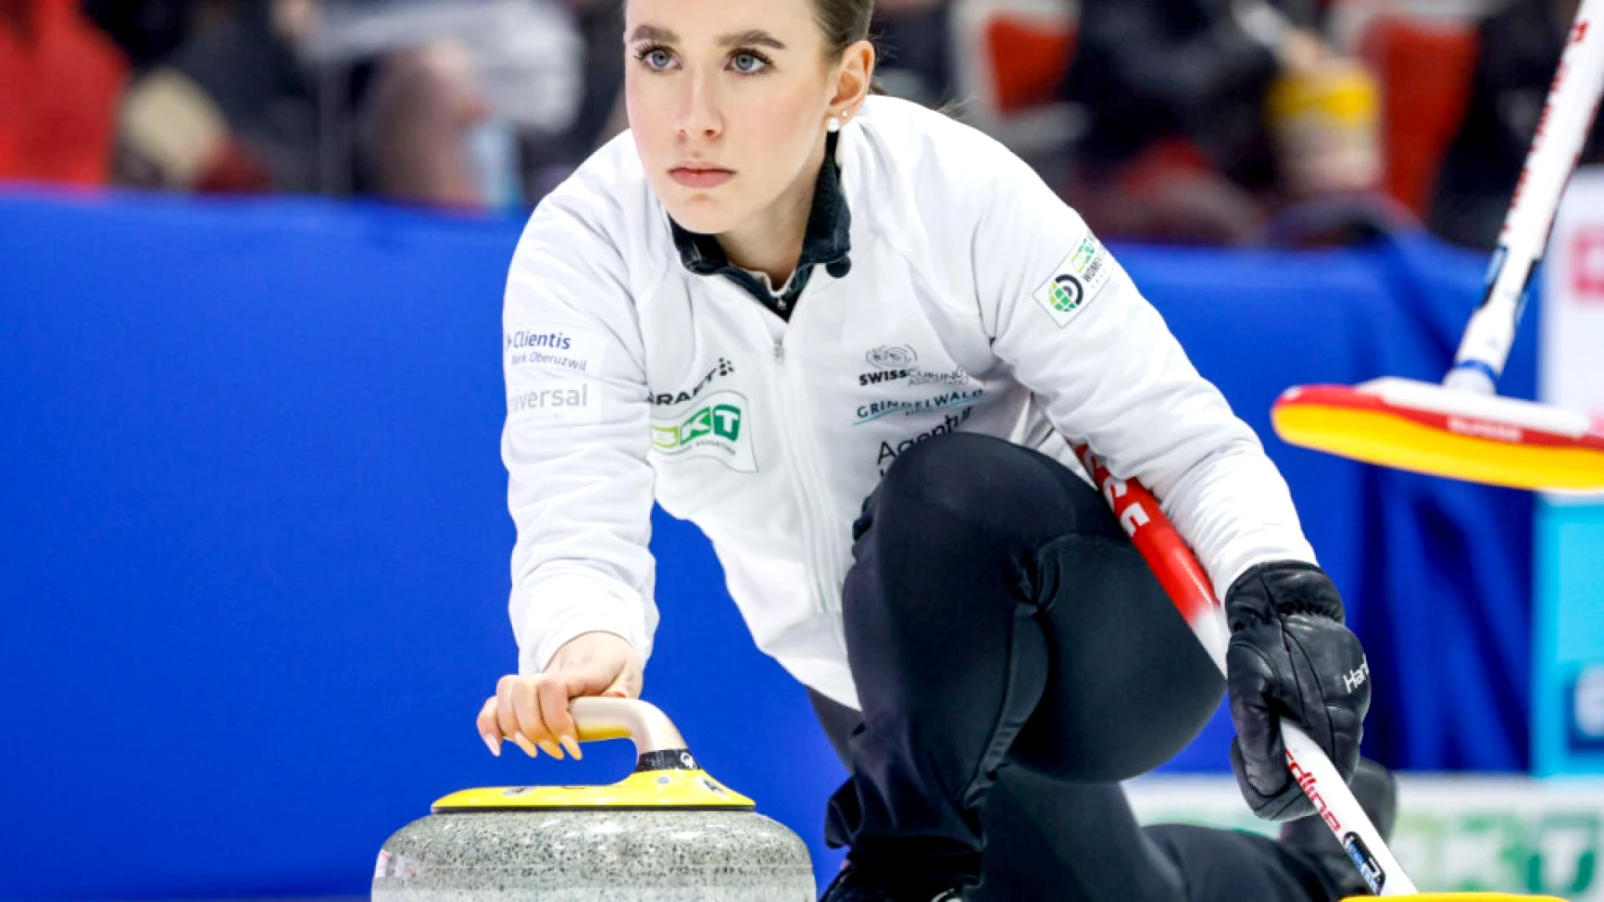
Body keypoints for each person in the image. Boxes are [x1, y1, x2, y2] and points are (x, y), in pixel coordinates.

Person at [474, 0, 1390, 897]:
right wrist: (579, 647)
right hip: (875, 677)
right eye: (659, 56)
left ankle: (907, 864)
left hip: (1102, 644)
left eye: (747, 60)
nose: (692, 117)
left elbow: (1184, 442)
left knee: (939, 487)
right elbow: (574, 517)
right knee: (1111, 891)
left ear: (846, 82)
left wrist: (1285, 602)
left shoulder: (958, 194)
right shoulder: (583, 250)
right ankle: (1309, 873)